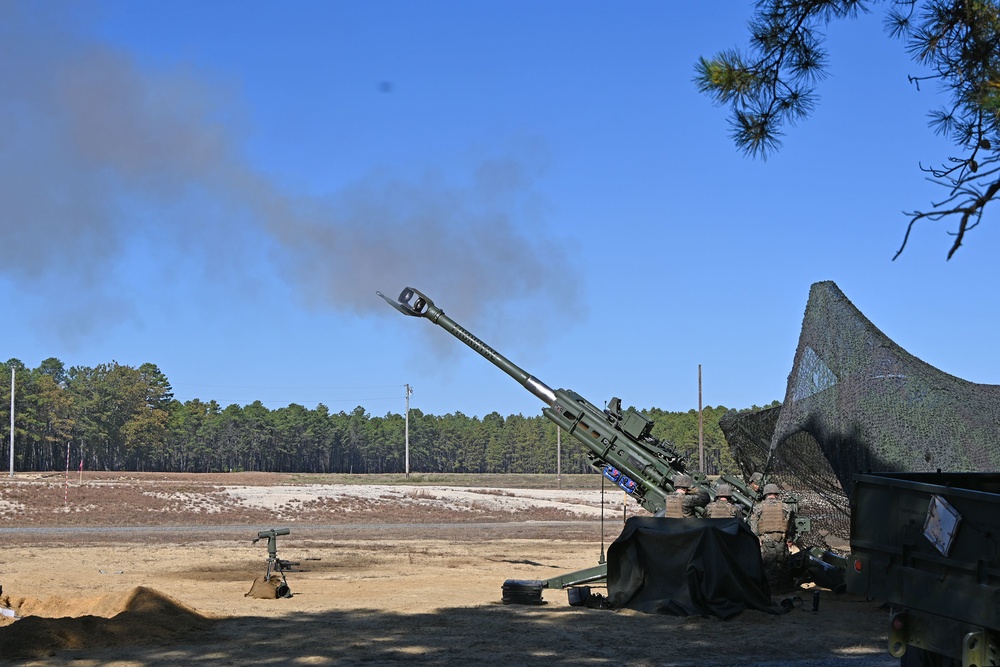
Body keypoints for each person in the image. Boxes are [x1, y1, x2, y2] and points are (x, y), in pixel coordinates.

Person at [750, 483, 796, 592]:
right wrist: (790, 539)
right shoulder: (785, 506)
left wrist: (757, 538)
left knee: (768, 564)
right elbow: (791, 524)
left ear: (765, 493)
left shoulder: (759, 507)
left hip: (765, 539)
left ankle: (770, 589)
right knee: (782, 563)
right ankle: (783, 588)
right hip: (781, 538)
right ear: (776, 494)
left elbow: (753, 523)